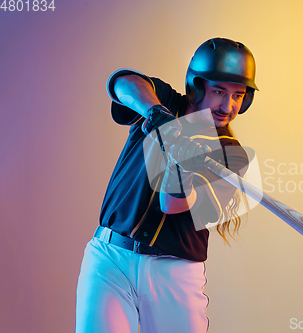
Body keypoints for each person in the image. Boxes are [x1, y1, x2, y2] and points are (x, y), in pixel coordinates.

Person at [75, 38, 258, 333]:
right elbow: (121, 82)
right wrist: (157, 115)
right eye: (219, 91)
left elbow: (172, 204)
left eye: (238, 95)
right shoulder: (164, 100)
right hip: (110, 258)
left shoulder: (231, 155)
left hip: (173, 274)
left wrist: (182, 160)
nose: (228, 106)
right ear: (196, 86)